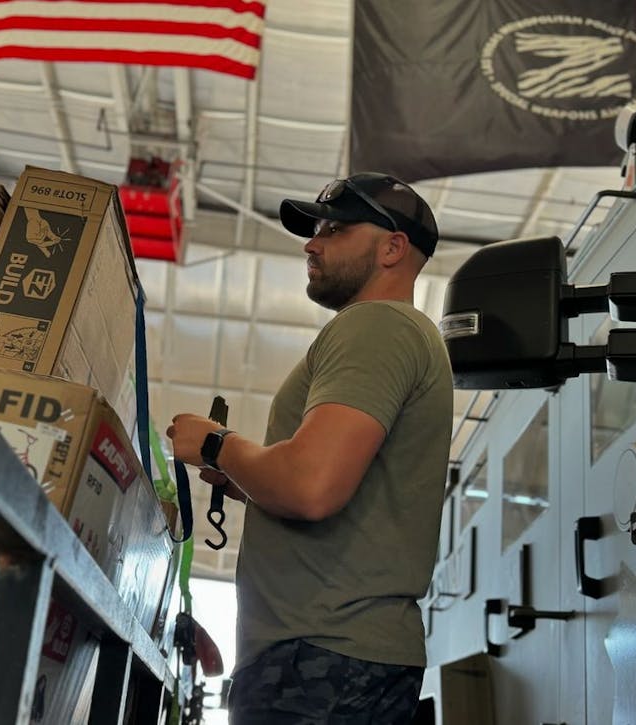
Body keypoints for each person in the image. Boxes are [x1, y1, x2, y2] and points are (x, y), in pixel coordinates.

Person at [166, 173, 454, 724]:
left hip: (320, 659)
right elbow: (337, 494)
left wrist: (215, 441)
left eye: (335, 229)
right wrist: (245, 476)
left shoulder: (376, 327)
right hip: (329, 658)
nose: (311, 242)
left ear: (393, 247)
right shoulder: (400, 334)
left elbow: (309, 487)